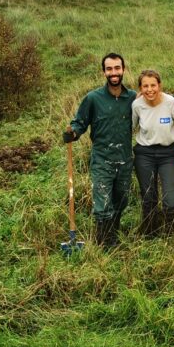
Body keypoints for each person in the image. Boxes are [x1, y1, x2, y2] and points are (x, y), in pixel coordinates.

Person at [63, 52, 135, 249]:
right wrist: (73, 133)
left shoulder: (132, 98)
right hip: (102, 160)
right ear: (104, 72)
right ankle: (105, 243)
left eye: (117, 68)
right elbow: (80, 123)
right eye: (109, 69)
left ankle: (113, 233)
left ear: (123, 69)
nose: (114, 72)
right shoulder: (93, 98)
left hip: (125, 159)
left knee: (121, 200)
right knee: (102, 204)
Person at [131, 69, 174, 236]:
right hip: (144, 153)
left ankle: (172, 233)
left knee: (171, 198)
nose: (150, 89)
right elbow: (131, 127)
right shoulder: (137, 105)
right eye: (145, 86)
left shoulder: (171, 103)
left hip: (169, 153)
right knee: (148, 196)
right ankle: (150, 231)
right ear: (140, 88)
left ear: (160, 85)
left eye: (153, 85)